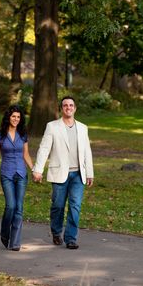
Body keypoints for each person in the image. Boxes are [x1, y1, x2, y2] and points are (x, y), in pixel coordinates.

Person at [32, 96, 94, 249]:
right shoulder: (52, 127)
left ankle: (71, 238)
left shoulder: (82, 127)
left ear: (75, 108)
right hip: (59, 173)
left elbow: (87, 151)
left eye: (71, 105)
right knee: (58, 206)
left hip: (78, 175)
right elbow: (44, 148)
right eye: (65, 105)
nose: (68, 107)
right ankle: (56, 232)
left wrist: (90, 173)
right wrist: (38, 170)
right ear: (61, 108)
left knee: (75, 206)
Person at [0, 105, 33, 251]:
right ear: (8, 117)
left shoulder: (23, 134)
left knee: (19, 208)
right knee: (10, 206)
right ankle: (4, 232)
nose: (16, 119)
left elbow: (26, 154)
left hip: (21, 174)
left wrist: (33, 169)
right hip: (7, 174)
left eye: (18, 117)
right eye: (13, 116)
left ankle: (15, 242)